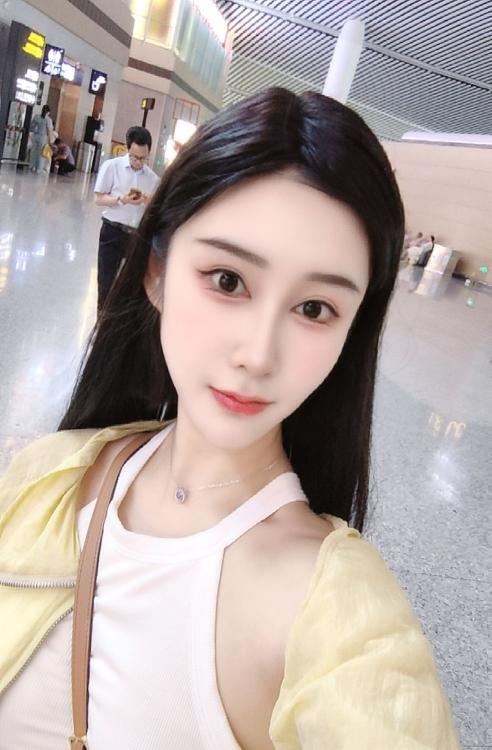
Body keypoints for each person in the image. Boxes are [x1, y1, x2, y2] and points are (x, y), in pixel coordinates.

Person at [0, 88, 460, 749]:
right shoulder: (48, 475)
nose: (258, 355)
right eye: (227, 280)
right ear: (156, 273)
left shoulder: (343, 622)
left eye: (314, 309)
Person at [94, 125, 159, 312]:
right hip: (112, 231)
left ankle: (121, 325)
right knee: (105, 284)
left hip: (136, 237)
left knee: (131, 288)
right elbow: (99, 198)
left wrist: (149, 203)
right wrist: (121, 199)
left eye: (143, 158)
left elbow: (156, 213)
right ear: (127, 149)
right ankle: (102, 323)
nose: (138, 162)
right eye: (134, 157)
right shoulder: (112, 167)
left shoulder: (153, 179)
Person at [29, 104, 54, 173]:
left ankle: (32, 166)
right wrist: (50, 141)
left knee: (34, 152)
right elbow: (49, 131)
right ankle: (39, 169)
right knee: (41, 153)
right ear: (48, 112)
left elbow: (31, 127)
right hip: (43, 137)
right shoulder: (48, 120)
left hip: (35, 136)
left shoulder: (36, 117)